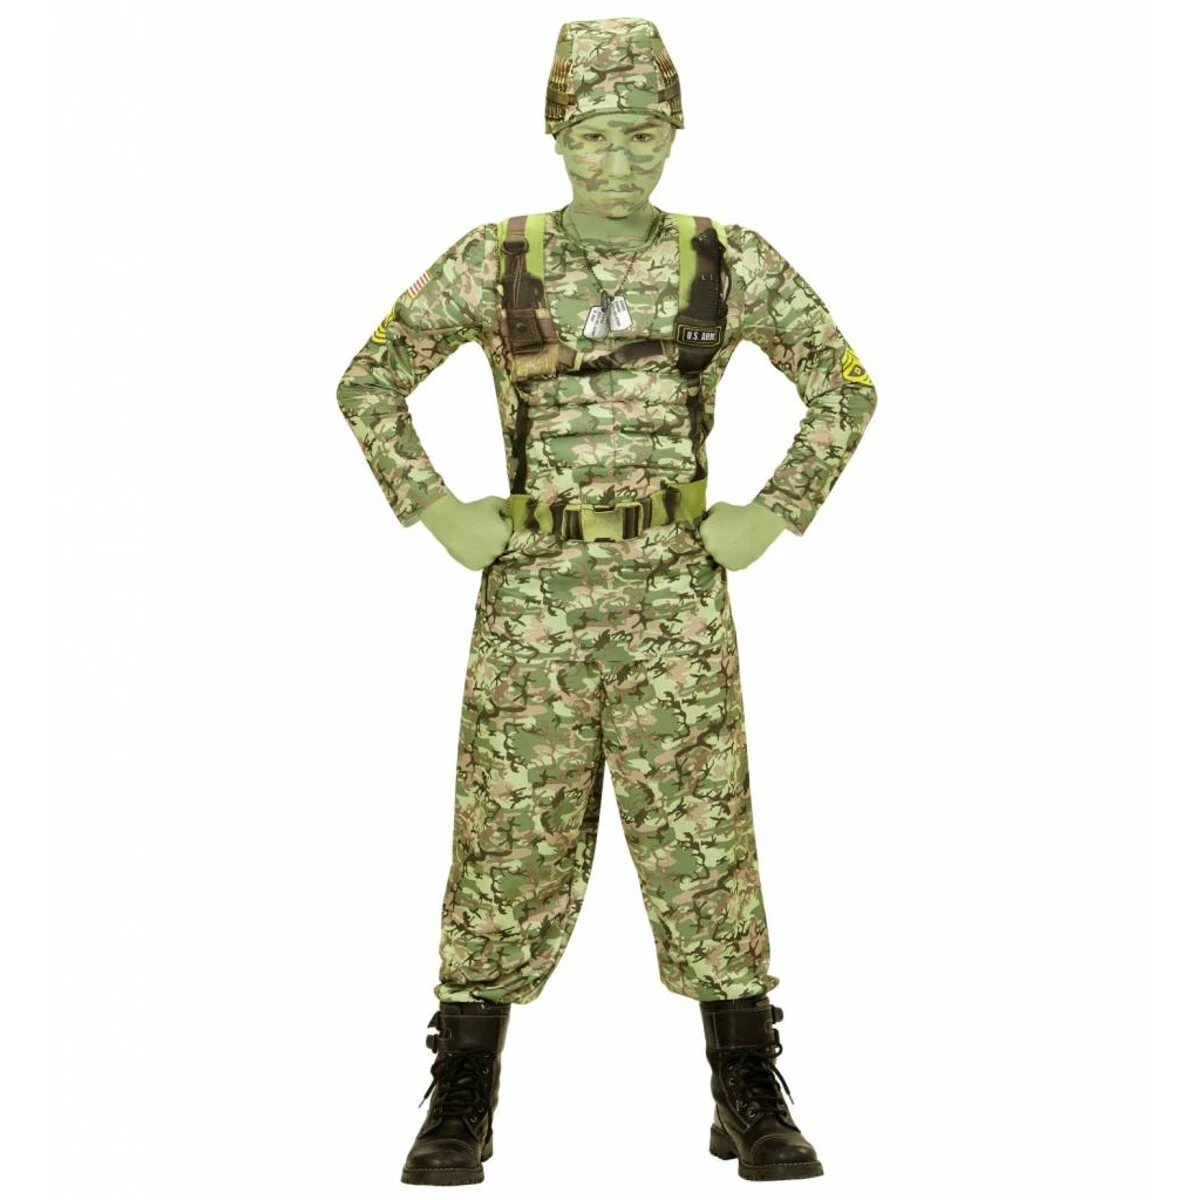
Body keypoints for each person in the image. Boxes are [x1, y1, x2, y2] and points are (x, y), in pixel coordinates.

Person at [336, 16, 877, 1186]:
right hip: (533, 599)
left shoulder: (726, 260)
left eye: (644, 132)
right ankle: (463, 1091)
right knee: (505, 837)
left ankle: (746, 1085)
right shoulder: (496, 259)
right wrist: (437, 509)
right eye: (594, 133)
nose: (620, 159)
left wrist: (773, 511)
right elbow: (368, 381)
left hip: (676, 601)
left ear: (675, 131)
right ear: (555, 133)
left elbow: (845, 385)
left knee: (706, 841)